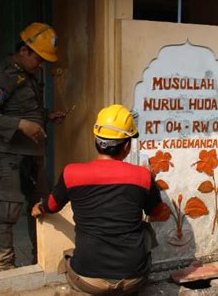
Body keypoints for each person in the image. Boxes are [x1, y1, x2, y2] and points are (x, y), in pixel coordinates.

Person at [31, 104, 163, 295]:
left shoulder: (71, 173)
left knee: (69, 256)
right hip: (134, 279)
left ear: (96, 140)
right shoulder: (142, 176)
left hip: (89, 281)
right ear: (126, 146)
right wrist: (152, 181)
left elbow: (52, 206)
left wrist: (39, 208)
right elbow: (157, 213)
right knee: (144, 230)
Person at [0, 22, 65, 271]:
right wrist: (20, 125)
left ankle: (42, 258)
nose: (41, 65)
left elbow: (25, 108)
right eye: (39, 58)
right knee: (6, 214)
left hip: (33, 157)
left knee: (40, 208)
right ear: (25, 50)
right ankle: (5, 267)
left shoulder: (28, 76)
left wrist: (46, 116)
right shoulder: (1, 76)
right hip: (9, 158)